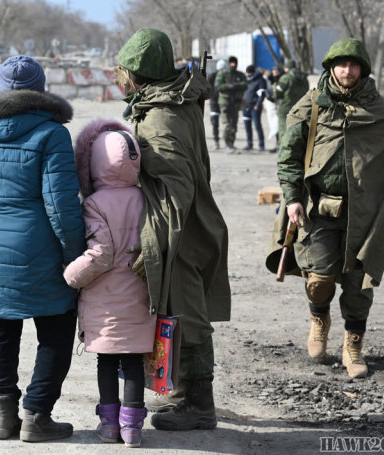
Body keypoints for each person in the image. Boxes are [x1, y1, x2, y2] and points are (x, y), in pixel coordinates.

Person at [0, 55, 85, 442]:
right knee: (57, 325)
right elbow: (60, 204)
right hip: (38, 246)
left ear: (0, 88)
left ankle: (3, 417)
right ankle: (37, 416)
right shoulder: (52, 133)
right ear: (40, 88)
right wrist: (76, 255)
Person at [270, 39, 384, 378]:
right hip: (317, 209)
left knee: (358, 284)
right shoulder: (312, 105)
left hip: (364, 215)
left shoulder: (380, 111)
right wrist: (292, 198)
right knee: (318, 279)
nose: (347, 71)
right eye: (341, 64)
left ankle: (353, 344)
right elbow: (288, 156)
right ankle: (319, 319)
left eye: (354, 65)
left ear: (363, 69)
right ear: (330, 67)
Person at [115, 28, 231, 431]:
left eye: (124, 71)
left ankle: (199, 405)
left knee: (188, 315)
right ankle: (184, 396)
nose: (119, 78)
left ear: (138, 74)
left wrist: (154, 246)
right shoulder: (167, 103)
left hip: (179, 230)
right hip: (185, 224)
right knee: (179, 312)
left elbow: (176, 190)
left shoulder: (163, 116)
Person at [63, 119, 157, 447]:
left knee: (107, 360)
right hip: (141, 294)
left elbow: (101, 255)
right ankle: (133, 428)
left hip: (105, 298)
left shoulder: (94, 203)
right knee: (133, 359)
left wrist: (70, 276)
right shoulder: (146, 198)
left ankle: (109, 425)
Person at [215, 55, 247, 152]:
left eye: (235, 63)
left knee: (234, 125)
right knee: (226, 124)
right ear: (229, 63)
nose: (233, 65)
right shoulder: (222, 74)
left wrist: (236, 85)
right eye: (231, 63)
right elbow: (218, 86)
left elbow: (245, 84)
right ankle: (227, 143)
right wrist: (229, 86)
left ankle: (231, 143)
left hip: (236, 103)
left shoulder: (240, 75)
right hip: (225, 102)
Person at [275, 58, 309, 144]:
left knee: (283, 130)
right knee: (297, 130)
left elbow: (278, 93)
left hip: (285, 107)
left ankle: (283, 148)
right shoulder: (304, 78)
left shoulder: (285, 78)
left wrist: (273, 94)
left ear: (287, 68)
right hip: (300, 108)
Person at [241, 65, 267, 151]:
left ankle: (261, 145)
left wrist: (258, 105)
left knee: (257, 126)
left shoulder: (260, 80)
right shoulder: (245, 80)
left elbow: (262, 94)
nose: (247, 74)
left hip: (254, 107)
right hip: (245, 106)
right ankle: (249, 144)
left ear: (252, 73)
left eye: (248, 73)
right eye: (246, 72)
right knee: (247, 126)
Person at [207, 60, 226, 149]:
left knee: (227, 123)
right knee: (215, 122)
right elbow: (208, 88)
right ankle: (216, 141)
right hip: (214, 102)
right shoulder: (212, 76)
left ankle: (228, 142)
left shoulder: (227, 76)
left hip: (225, 101)